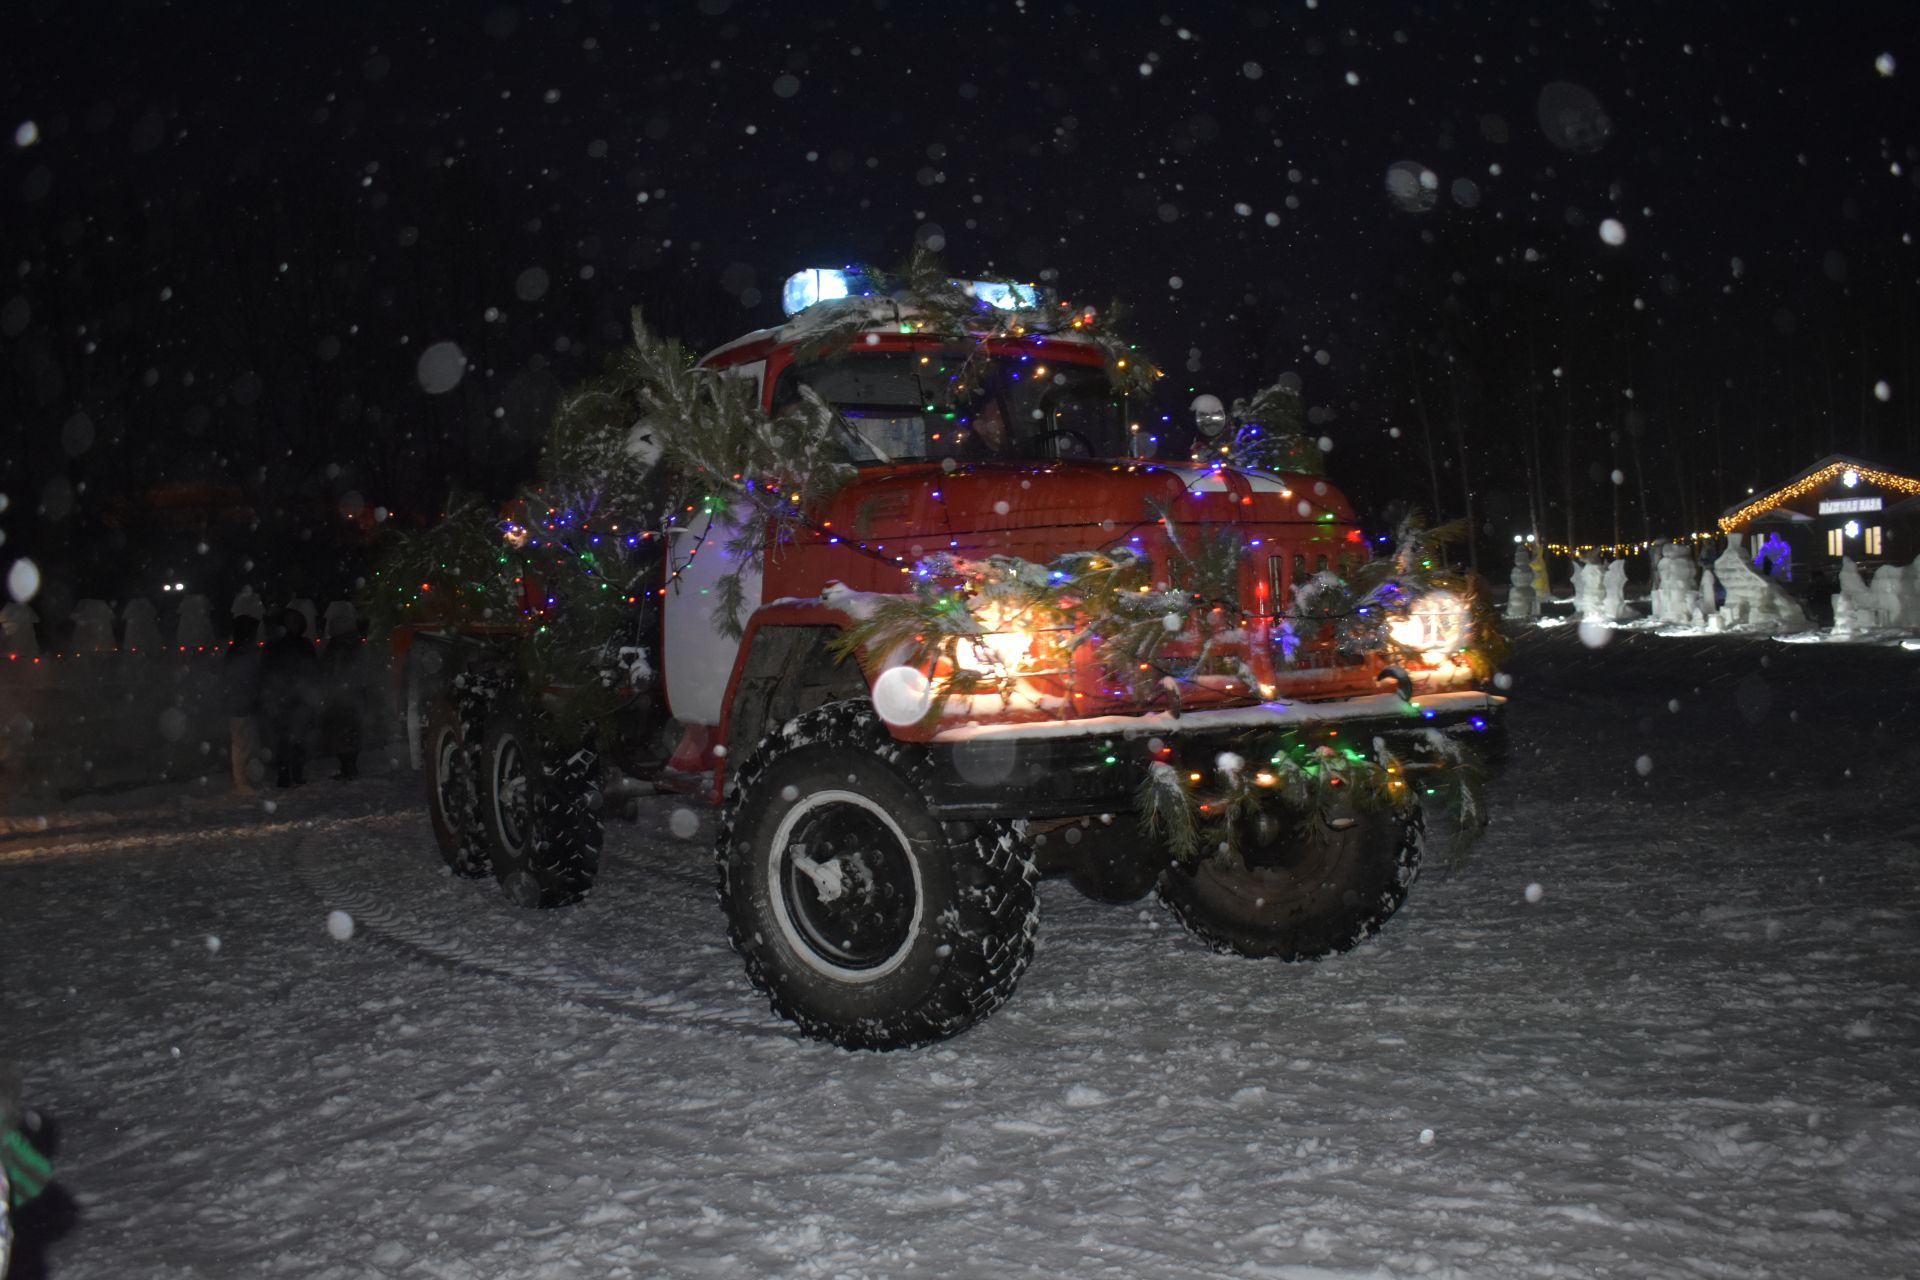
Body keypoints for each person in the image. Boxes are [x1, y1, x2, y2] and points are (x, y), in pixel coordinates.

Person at [258, 607, 319, 787]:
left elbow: (313, 670)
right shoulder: (275, 645)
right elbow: (267, 671)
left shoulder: (303, 644)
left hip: (298, 697)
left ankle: (296, 773)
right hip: (283, 698)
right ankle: (284, 775)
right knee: (285, 738)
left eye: (296, 622)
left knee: (298, 738)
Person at [319, 616, 367, 781]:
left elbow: (332, 669)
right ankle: (349, 766)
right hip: (346, 695)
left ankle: (349, 767)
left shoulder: (341, 646)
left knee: (344, 733)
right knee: (347, 733)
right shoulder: (351, 645)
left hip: (344, 695)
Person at [223, 614, 263, 794]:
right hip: (240, 704)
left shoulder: (241, 651)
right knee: (242, 744)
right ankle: (242, 781)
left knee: (247, 743)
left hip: (245, 703)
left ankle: (246, 779)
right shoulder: (240, 652)